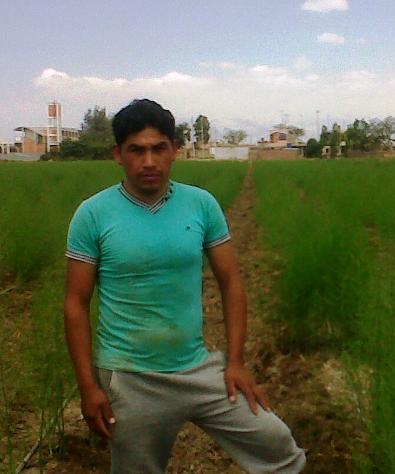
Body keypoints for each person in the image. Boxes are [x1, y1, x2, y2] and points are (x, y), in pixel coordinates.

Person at [63, 98, 305, 474]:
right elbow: (75, 304)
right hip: (130, 377)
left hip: (198, 368)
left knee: (278, 446)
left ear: (175, 149)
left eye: (159, 148)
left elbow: (231, 282)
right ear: (117, 154)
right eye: (136, 150)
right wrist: (88, 387)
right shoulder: (93, 215)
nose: (149, 161)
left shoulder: (201, 205)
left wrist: (235, 363)